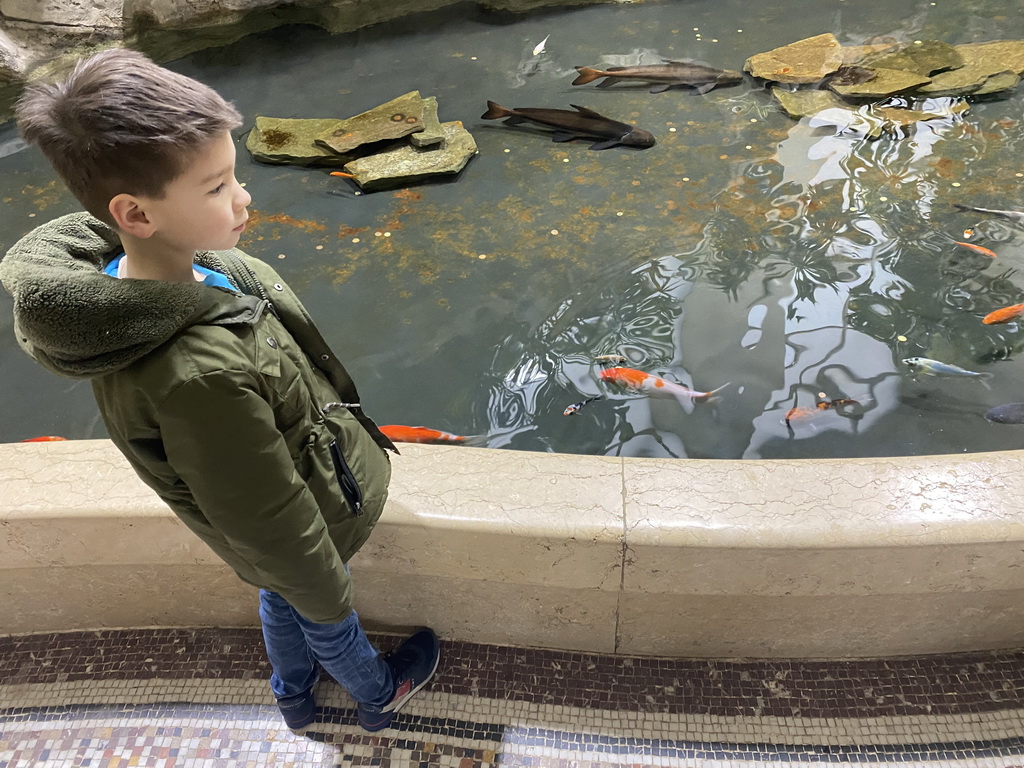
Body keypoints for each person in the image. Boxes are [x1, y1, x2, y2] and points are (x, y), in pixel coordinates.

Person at [0, 48, 439, 732]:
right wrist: (326, 590)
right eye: (216, 187)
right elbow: (268, 518)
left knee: (278, 594)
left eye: (233, 175)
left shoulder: (193, 270)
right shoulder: (195, 376)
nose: (245, 196)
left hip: (282, 529)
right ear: (136, 215)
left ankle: (293, 693)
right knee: (316, 609)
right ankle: (376, 693)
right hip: (308, 527)